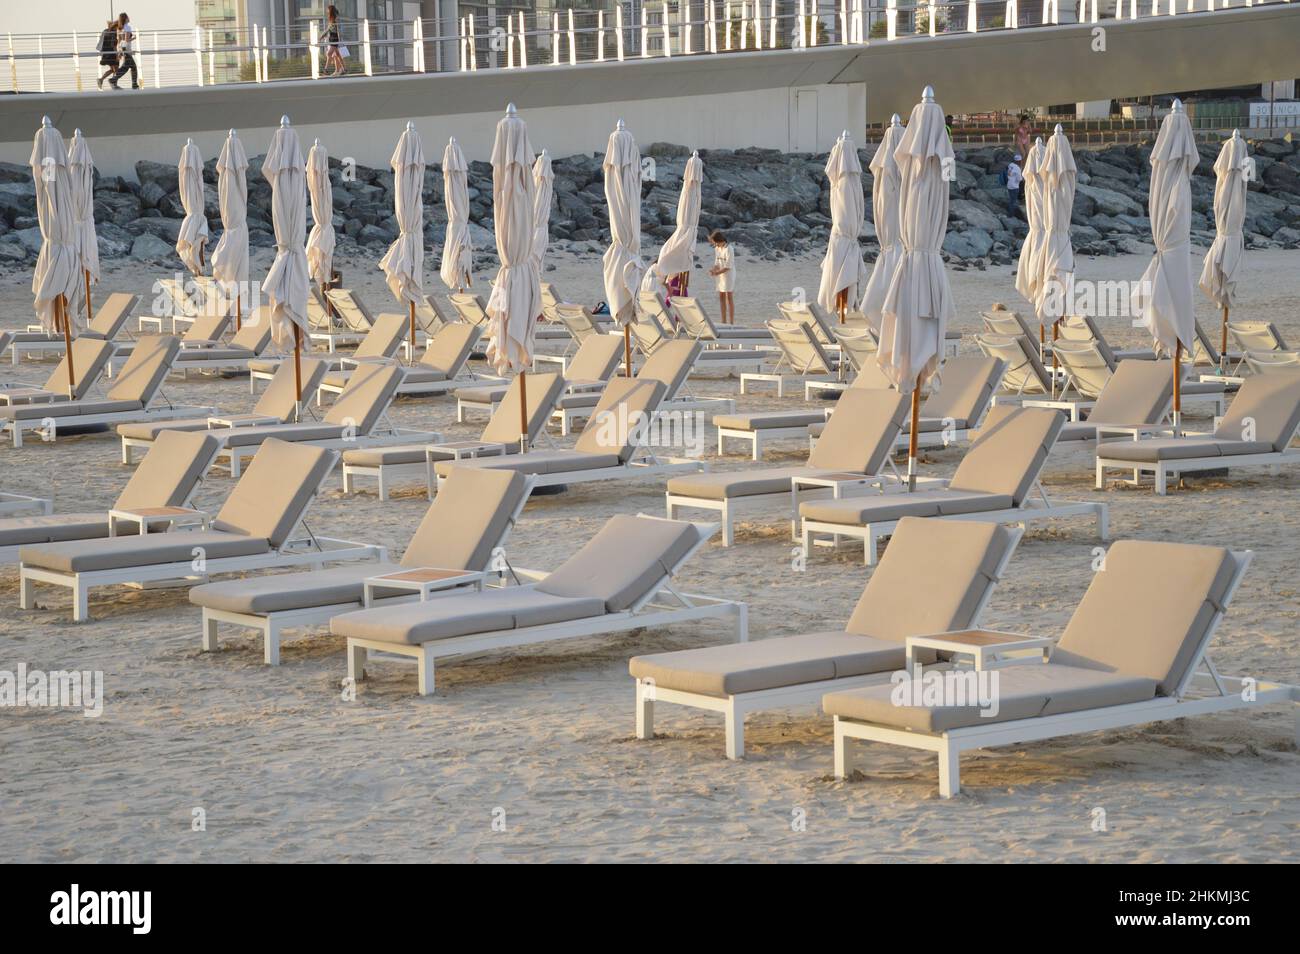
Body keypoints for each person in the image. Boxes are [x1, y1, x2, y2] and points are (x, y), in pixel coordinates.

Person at [708, 230, 736, 325]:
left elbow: (728, 266)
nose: (714, 244)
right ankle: (723, 321)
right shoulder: (717, 248)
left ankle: (731, 322)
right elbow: (717, 263)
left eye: (715, 242)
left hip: (728, 275)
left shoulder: (729, 249)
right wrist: (713, 269)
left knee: (729, 297)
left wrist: (716, 273)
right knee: (721, 296)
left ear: (719, 240)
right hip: (720, 275)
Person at [110, 13, 139, 90]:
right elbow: (126, 40)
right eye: (127, 17)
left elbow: (119, 41)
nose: (129, 18)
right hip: (126, 49)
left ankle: (134, 84)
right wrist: (135, 37)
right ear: (125, 18)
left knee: (132, 67)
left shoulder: (119, 28)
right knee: (128, 67)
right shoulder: (127, 27)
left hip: (122, 48)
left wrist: (119, 52)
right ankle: (113, 80)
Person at [323, 5, 347, 77]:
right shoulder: (332, 19)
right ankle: (344, 69)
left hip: (335, 39)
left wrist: (339, 41)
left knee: (329, 54)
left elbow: (337, 30)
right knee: (338, 55)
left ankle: (326, 70)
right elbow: (328, 30)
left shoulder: (335, 20)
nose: (327, 11)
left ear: (330, 11)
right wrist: (322, 36)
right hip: (332, 39)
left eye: (328, 10)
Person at [96, 19, 119, 90]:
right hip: (112, 54)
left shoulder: (105, 31)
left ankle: (101, 79)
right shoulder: (114, 32)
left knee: (113, 70)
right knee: (116, 70)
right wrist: (117, 54)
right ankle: (113, 83)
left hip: (105, 54)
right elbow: (113, 45)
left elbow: (101, 42)